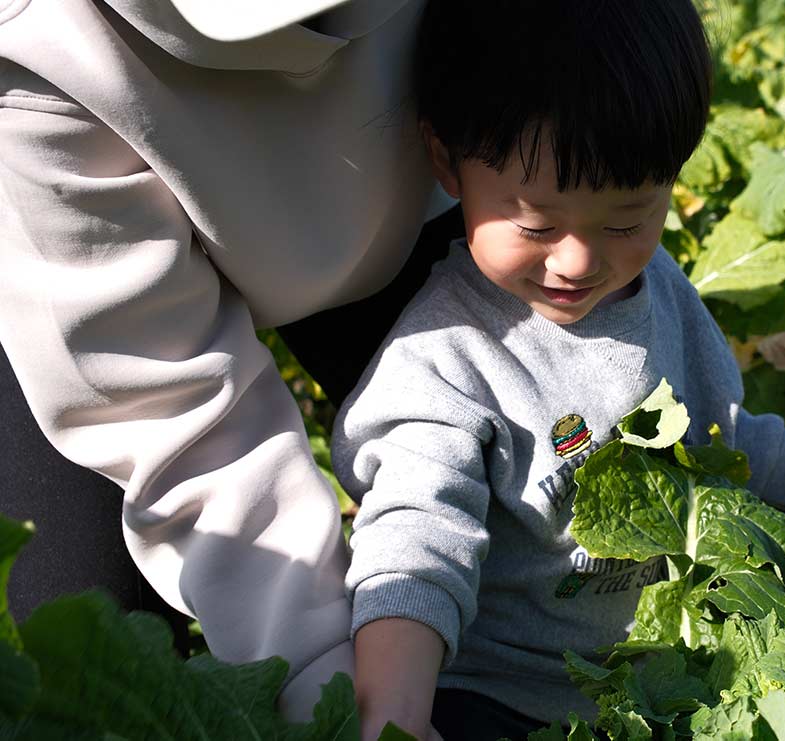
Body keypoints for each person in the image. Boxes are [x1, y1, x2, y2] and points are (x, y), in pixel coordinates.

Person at [332, 1, 785, 739]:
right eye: (536, 224)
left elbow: (717, 440)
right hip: (501, 692)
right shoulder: (444, 359)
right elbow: (417, 539)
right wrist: (395, 715)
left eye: (627, 220)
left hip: (659, 674)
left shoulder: (661, 292)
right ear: (445, 159)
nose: (579, 260)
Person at [0, 0, 462, 720]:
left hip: (415, 202)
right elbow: (175, 422)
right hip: (92, 295)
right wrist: (330, 695)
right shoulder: (30, 42)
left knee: (541, 522)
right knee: (74, 654)